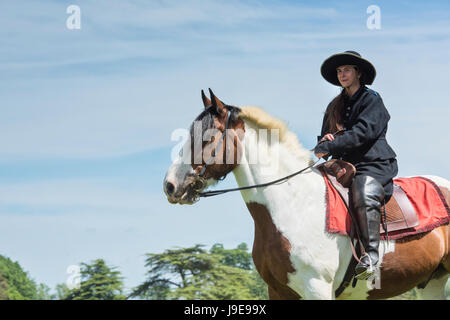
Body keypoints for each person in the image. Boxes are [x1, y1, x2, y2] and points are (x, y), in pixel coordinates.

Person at [314, 51, 398, 280]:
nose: (342, 74)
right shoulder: (334, 105)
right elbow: (324, 138)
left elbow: (363, 133)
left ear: (358, 73)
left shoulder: (372, 99)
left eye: (347, 70)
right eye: (339, 71)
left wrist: (333, 144)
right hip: (341, 165)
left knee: (363, 189)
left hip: (373, 164)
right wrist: (324, 143)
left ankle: (370, 256)